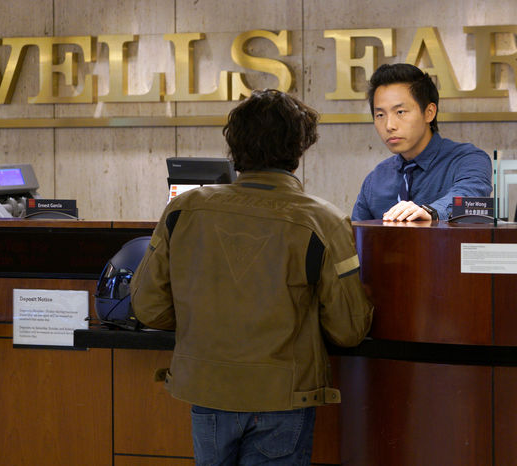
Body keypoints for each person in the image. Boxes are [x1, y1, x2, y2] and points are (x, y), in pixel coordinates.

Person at [130, 89, 373, 466]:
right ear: (299, 147)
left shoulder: (183, 210)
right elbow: (348, 328)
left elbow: (147, 307)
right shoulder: (323, 220)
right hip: (282, 396)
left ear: (234, 145)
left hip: (206, 388)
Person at [351, 63, 493, 222]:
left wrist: (431, 212)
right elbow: (354, 239)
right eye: (380, 115)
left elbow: (471, 197)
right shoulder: (376, 178)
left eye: (400, 112)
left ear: (429, 112)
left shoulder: (468, 160)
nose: (389, 125)